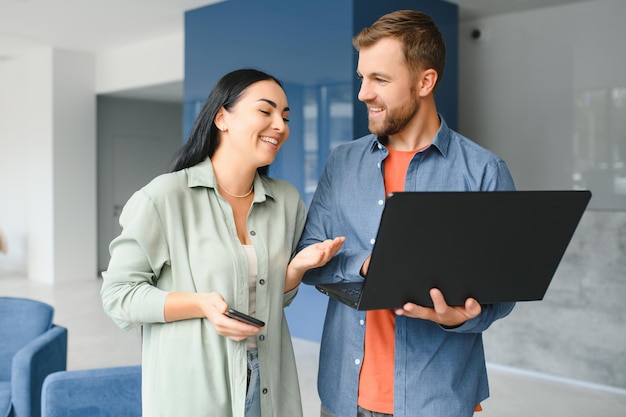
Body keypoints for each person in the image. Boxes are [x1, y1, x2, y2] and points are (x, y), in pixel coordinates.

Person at [297, 10, 516, 417]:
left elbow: (502, 292)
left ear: (425, 82)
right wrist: (366, 264)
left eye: (379, 80)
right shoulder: (342, 163)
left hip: (437, 399)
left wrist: (456, 318)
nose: (363, 92)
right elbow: (309, 259)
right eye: (363, 77)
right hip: (343, 395)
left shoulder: (484, 171)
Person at [101, 68, 344, 417]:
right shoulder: (164, 198)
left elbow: (275, 298)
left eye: (285, 116)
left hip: (269, 383)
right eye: (266, 111)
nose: (280, 125)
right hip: (194, 390)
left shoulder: (287, 201)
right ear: (222, 118)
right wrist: (202, 305)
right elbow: (118, 295)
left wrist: (295, 269)